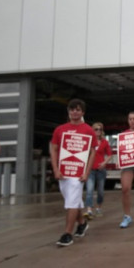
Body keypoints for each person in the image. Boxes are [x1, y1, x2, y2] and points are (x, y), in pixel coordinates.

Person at [49, 99, 96, 247]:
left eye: (78, 109)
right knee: (72, 201)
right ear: (68, 112)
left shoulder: (88, 130)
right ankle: (82, 223)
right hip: (63, 173)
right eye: (72, 109)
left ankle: (67, 234)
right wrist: (56, 169)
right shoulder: (60, 130)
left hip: (78, 174)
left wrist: (86, 172)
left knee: (71, 202)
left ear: (82, 112)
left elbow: (92, 152)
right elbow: (54, 149)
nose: (74, 112)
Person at [84, 122, 112, 218]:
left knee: (100, 191)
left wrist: (104, 163)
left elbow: (110, 154)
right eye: (96, 129)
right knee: (89, 190)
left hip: (101, 169)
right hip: (90, 169)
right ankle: (89, 209)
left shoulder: (105, 142)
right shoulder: (89, 141)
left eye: (100, 129)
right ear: (92, 130)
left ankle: (98, 207)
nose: (98, 131)